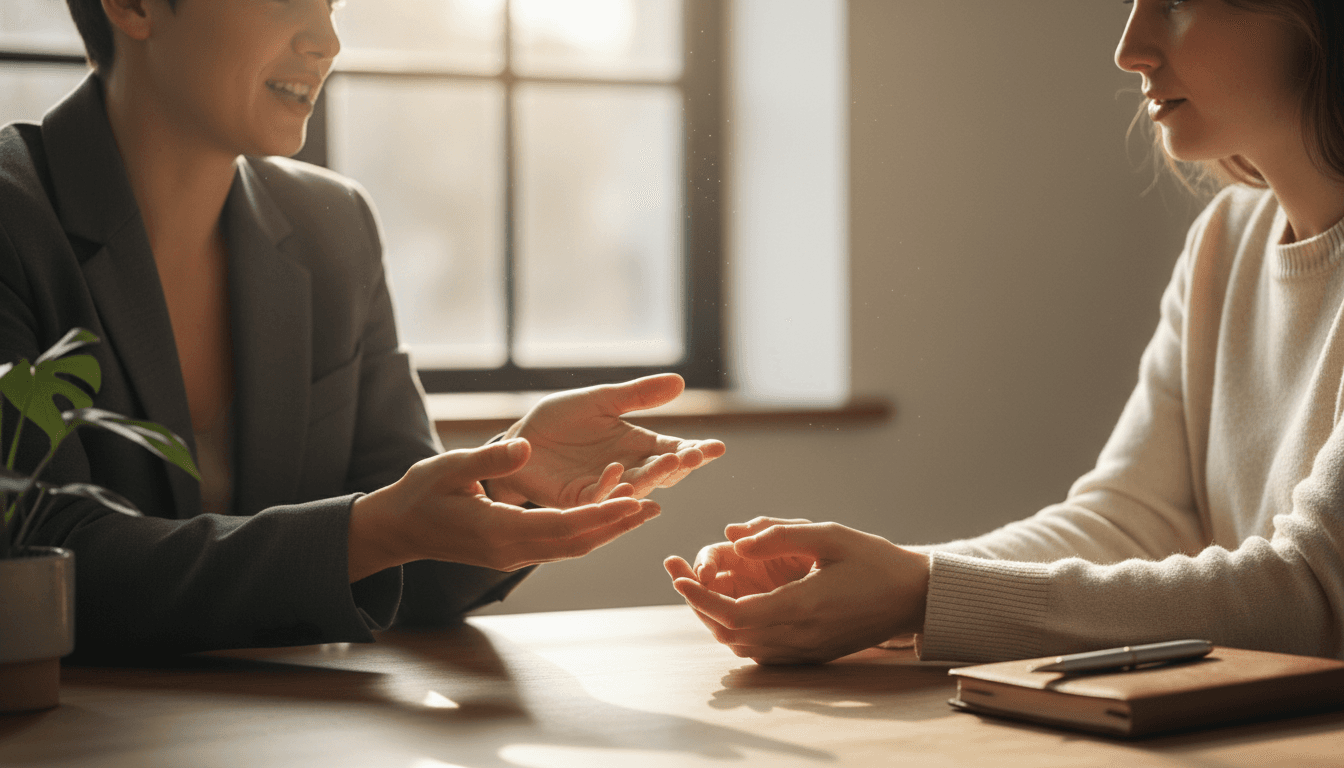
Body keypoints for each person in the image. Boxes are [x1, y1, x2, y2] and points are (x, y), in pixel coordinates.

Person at [0, 0, 723, 654]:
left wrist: (508, 482)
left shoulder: (332, 227)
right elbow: (40, 564)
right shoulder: (14, 220)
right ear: (133, 5)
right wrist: (368, 533)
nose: (328, 39)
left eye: (333, 2)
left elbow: (409, 565)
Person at [666, 0, 1344, 665]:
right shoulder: (1224, 243)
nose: (1129, 47)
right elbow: (1127, 523)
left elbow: (1315, 594)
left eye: (1176, 3)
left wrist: (920, 596)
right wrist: (884, 580)